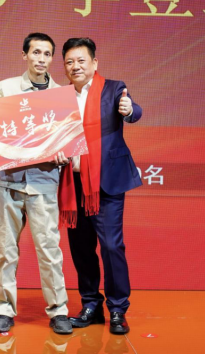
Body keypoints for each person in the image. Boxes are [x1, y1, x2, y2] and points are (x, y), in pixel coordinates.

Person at [0, 33, 73, 335]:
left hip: (43, 182)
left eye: (47, 54)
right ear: (24, 55)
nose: (41, 59)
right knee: (5, 250)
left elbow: (67, 142)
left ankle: (58, 310)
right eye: (36, 52)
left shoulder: (60, 95)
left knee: (49, 250)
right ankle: (3, 309)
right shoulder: (5, 88)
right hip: (7, 182)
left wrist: (64, 155)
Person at [58, 37, 142, 335]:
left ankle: (117, 309)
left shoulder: (114, 89)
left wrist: (129, 110)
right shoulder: (60, 97)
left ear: (94, 63)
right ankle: (91, 305)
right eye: (69, 62)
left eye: (81, 60)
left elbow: (134, 111)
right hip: (73, 183)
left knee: (111, 246)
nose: (75, 66)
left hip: (107, 183)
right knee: (81, 248)